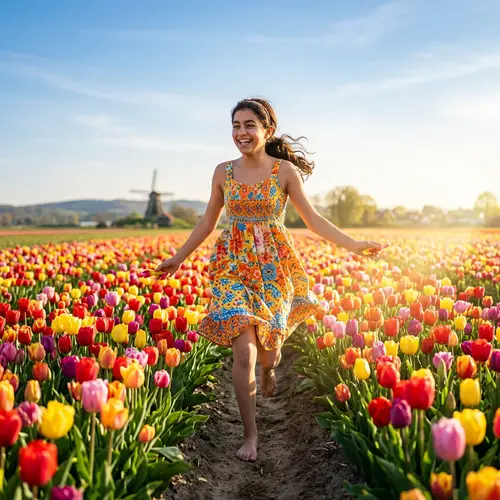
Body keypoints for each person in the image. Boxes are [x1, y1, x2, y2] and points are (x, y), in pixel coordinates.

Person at [155, 97, 385, 462]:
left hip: (274, 268)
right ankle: (251, 434)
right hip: (232, 267)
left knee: (269, 351)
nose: (241, 133)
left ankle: (270, 368)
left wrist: (354, 244)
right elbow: (207, 222)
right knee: (243, 351)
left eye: (249, 125)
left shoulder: (285, 172)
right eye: (235, 126)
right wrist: (178, 258)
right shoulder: (222, 172)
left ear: (267, 131)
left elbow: (314, 220)